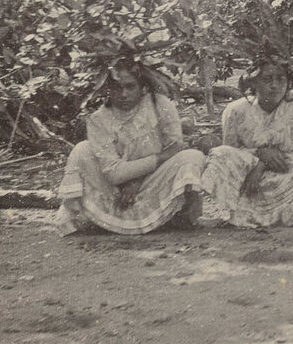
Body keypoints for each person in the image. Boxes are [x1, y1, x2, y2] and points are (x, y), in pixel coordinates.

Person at [55, 57, 207, 236]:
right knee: (82, 150)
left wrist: (136, 182)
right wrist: (160, 157)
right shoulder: (98, 120)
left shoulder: (160, 105)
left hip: (153, 181)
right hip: (114, 189)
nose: (124, 94)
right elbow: (113, 173)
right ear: (108, 89)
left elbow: (176, 149)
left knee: (191, 157)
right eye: (117, 87)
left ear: (142, 87)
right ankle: (103, 219)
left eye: (130, 86)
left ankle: (176, 215)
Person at [200, 58, 293, 228]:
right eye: (267, 79)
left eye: (280, 79)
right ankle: (241, 211)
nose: (274, 85)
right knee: (221, 155)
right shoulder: (236, 111)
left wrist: (263, 164)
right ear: (253, 82)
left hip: (287, 172)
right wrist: (260, 156)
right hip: (251, 181)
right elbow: (233, 153)